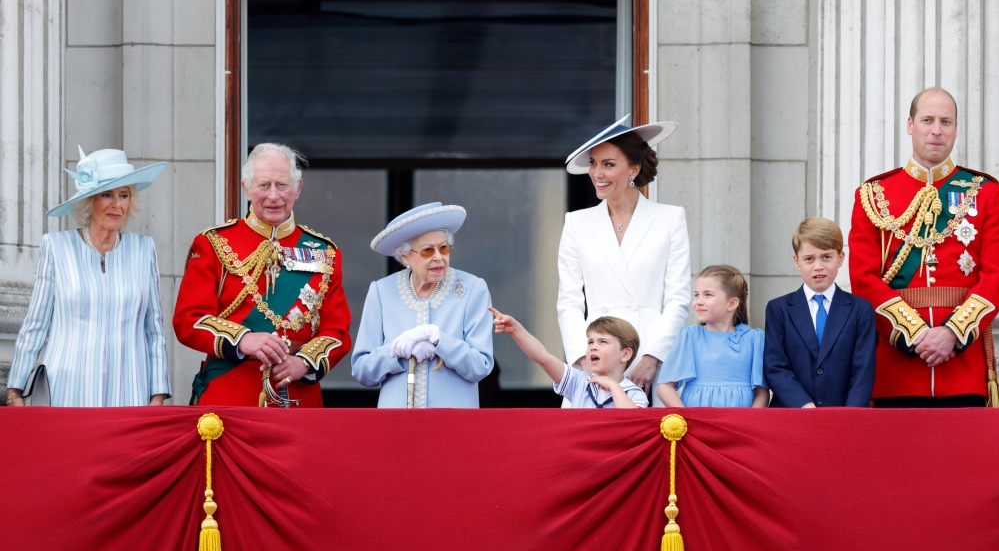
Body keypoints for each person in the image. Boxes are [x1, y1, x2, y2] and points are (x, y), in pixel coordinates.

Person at [849, 88, 999, 408]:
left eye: (946, 122)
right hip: (897, 372)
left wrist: (952, 333)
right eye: (928, 120)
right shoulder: (873, 194)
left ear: (955, 129)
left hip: (963, 370)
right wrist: (915, 336)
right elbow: (863, 279)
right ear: (911, 125)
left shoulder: (987, 193)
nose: (937, 130)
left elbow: (997, 277)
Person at [173, 143, 352, 407]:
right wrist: (243, 339)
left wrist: (303, 363)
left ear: (298, 189)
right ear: (246, 188)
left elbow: (337, 332)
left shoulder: (325, 253)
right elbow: (189, 320)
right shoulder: (213, 243)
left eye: (282, 185)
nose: (273, 196)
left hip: (297, 394)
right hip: (228, 394)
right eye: (263, 185)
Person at [6, 147, 170, 407]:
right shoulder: (57, 247)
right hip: (67, 391)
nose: (117, 204)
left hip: (128, 392)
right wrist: (15, 390)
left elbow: (154, 331)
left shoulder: (143, 250)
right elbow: (36, 324)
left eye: (124, 195)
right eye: (107, 194)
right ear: (90, 200)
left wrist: (157, 395)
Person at [558, 114, 691, 405]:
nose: (597, 173)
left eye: (608, 164)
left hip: (651, 354)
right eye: (593, 163)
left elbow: (679, 299)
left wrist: (652, 357)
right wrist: (582, 358)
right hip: (596, 356)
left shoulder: (670, 218)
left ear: (634, 168)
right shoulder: (576, 223)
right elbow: (568, 302)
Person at [351, 203, 494, 408]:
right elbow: (362, 371)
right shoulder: (381, 292)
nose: (439, 257)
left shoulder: (472, 289)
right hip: (395, 424)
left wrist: (440, 341)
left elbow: (480, 366)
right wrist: (395, 350)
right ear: (405, 256)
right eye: (428, 251)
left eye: (444, 248)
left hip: (453, 424)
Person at [763, 219, 876, 408]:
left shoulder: (860, 309)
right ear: (796, 261)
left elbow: (863, 369)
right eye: (809, 259)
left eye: (826, 257)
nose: (818, 266)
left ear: (840, 258)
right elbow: (775, 366)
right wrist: (804, 405)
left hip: (842, 417)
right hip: (792, 414)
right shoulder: (778, 309)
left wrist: (851, 416)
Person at [656, 266, 768, 408]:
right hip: (697, 422)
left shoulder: (754, 339)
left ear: (732, 303)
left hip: (739, 423)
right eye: (696, 295)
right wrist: (687, 418)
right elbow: (664, 387)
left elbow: (762, 392)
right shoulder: (689, 336)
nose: (699, 301)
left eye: (708, 294)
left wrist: (749, 423)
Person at [491, 308, 647, 408]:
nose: (593, 347)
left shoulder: (634, 393)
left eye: (603, 342)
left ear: (625, 354)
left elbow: (633, 421)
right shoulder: (578, 382)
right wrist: (516, 330)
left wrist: (614, 386)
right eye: (590, 342)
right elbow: (543, 358)